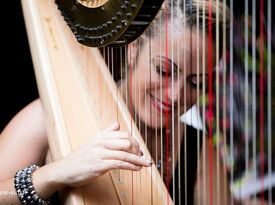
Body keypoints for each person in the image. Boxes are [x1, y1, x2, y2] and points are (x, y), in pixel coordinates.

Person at [0, 0, 227, 204]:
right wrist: (55, 174)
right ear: (133, 49)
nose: (175, 94)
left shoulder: (198, 149)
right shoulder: (47, 117)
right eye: (164, 70)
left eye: (196, 83)